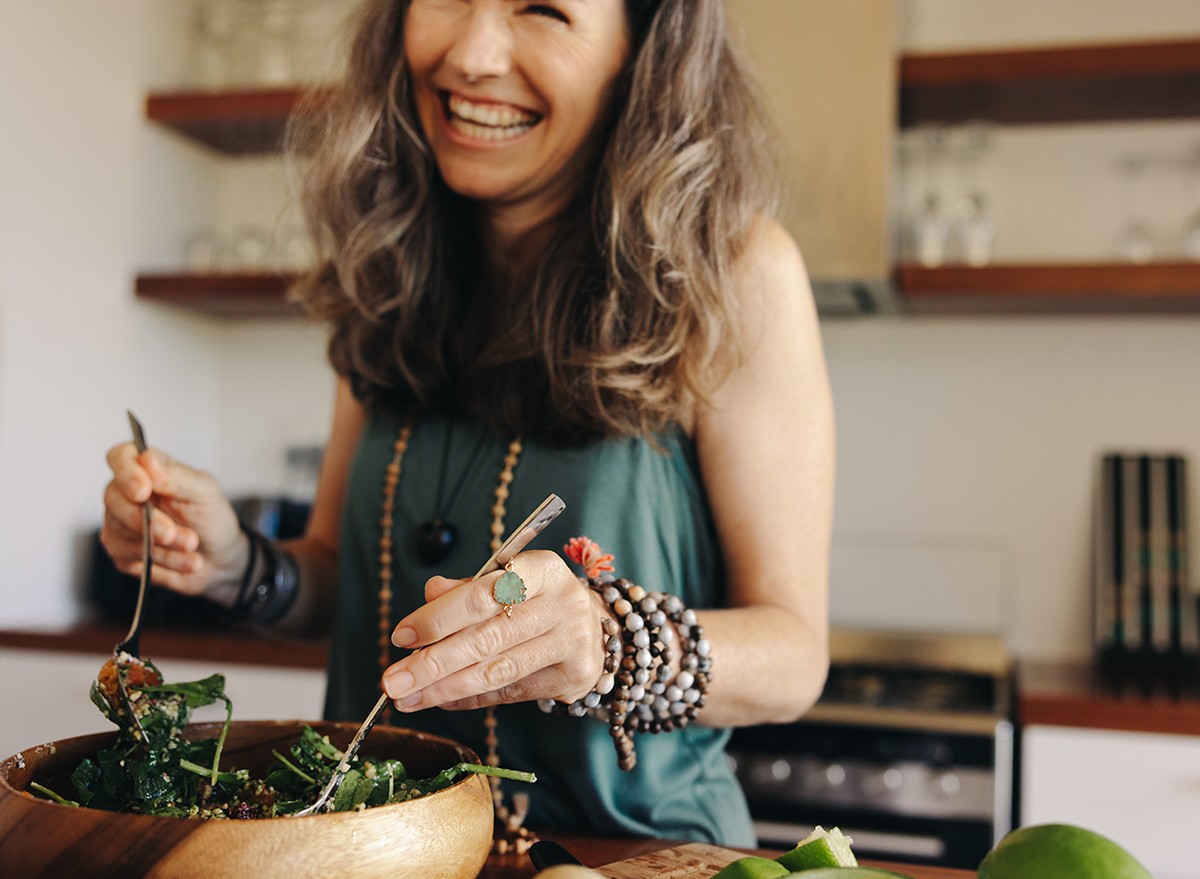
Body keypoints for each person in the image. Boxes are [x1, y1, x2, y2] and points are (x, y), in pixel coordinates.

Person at [101, 0, 834, 850]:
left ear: (642, 56)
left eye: (545, 10)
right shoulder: (384, 262)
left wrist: (603, 643)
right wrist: (239, 566)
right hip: (369, 851)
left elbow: (793, 657)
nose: (473, 54)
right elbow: (345, 577)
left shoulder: (737, 271)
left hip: (631, 857)